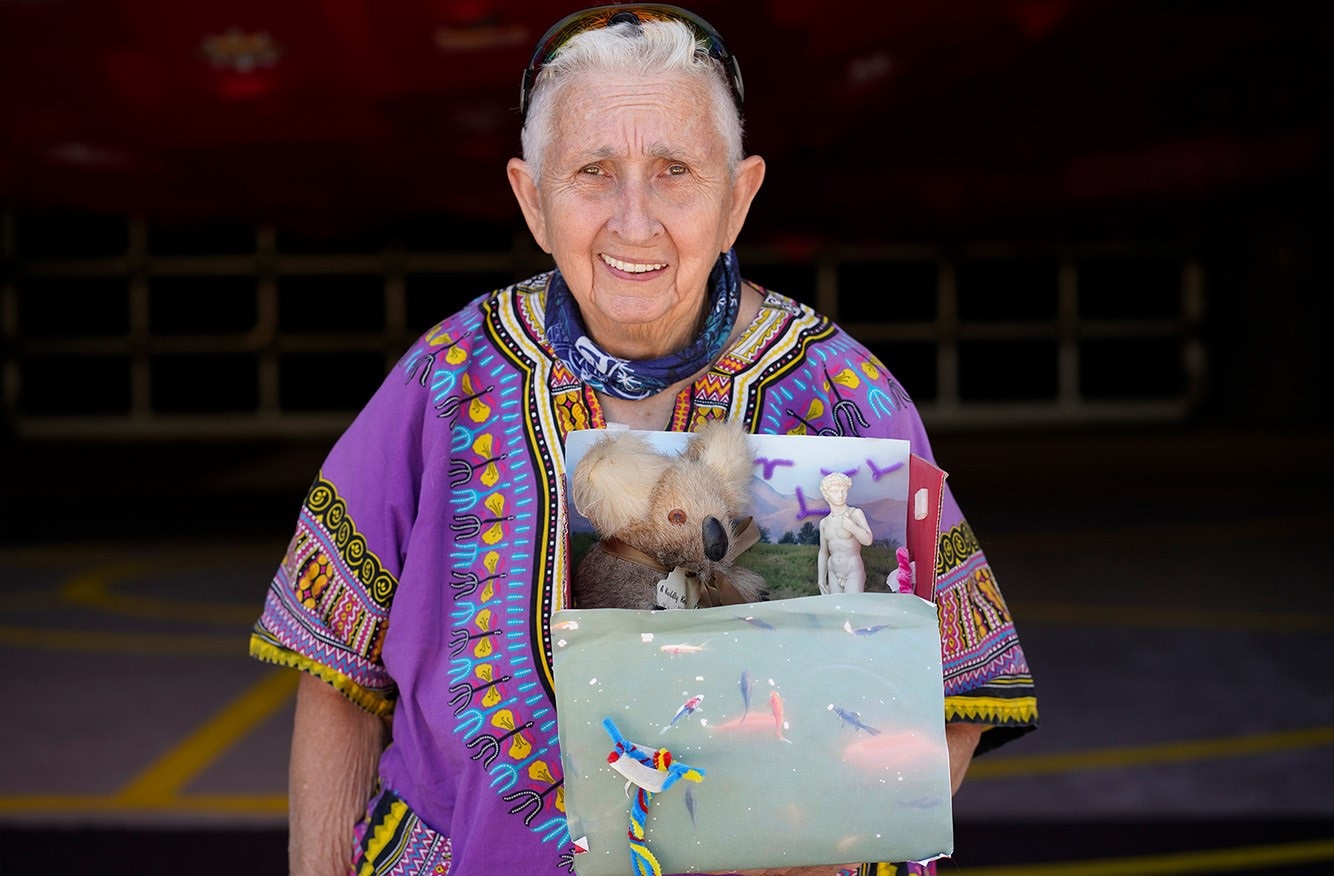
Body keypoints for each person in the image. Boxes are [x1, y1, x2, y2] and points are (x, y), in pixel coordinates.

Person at [249, 6, 1038, 875]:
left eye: (675, 171)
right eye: (593, 171)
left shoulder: (844, 395)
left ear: (737, 197)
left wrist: (830, 837)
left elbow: (957, 688)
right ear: (532, 198)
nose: (634, 221)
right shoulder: (444, 383)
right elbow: (338, 683)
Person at [817, 472, 873, 595]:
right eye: (835, 491)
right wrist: (821, 578)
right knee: (836, 610)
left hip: (853, 569)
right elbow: (823, 552)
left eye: (843, 490)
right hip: (833, 570)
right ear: (826, 494)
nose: (840, 495)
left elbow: (868, 540)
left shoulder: (855, 514)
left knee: (853, 608)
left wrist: (853, 528)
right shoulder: (824, 523)